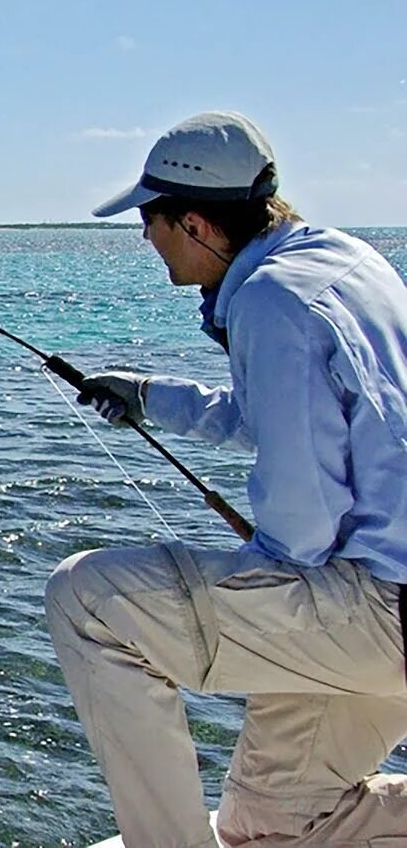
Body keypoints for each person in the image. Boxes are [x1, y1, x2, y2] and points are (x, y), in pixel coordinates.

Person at [45, 110, 407, 846]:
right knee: (265, 829)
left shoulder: (273, 302)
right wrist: (147, 395)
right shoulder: (344, 261)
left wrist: (264, 575)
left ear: (197, 225)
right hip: (387, 598)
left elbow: (303, 522)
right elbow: (275, 416)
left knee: (87, 599)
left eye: (150, 218)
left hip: (379, 612)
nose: (144, 236)